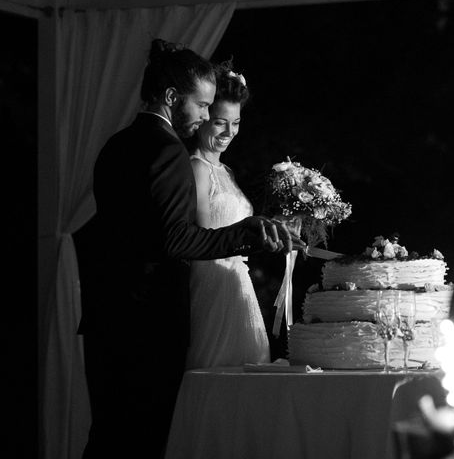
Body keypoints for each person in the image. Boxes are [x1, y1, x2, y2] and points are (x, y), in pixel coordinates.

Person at [75, 39, 301, 459]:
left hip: (106, 315)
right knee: (145, 436)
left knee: (107, 435)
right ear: (172, 97)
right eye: (201, 106)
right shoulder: (167, 151)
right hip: (146, 321)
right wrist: (243, 233)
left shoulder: (114, 145)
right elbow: (173, 238)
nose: (202, 117)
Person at [185, 61, 271, 368]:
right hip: (212, 286)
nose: (228, 132)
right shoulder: (197, 169)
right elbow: (201, 242)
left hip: (239, 283)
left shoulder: (227, 172)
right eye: (221, 122)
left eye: (235, 123)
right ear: (205, 117)